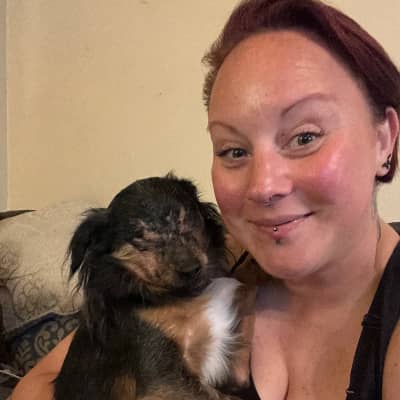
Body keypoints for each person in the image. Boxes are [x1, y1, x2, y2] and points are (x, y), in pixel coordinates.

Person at [10, 0, 400, 399]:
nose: (263, 186)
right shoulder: (229, 259)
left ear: (384, 139)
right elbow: (40, 384)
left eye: (305, 137)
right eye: (234, 150)